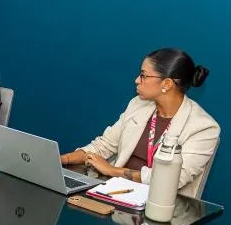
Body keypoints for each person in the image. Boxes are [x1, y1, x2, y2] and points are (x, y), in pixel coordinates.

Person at [60, 48, 220, 198]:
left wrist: (112, 170)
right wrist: (62, 159)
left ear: (167, 84)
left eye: (144, 75)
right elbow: (104, 146)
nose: (137, 80)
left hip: (162, 204)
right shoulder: (138, 104)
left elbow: (173, 179)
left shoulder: (204, 127)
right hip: (116, 193)